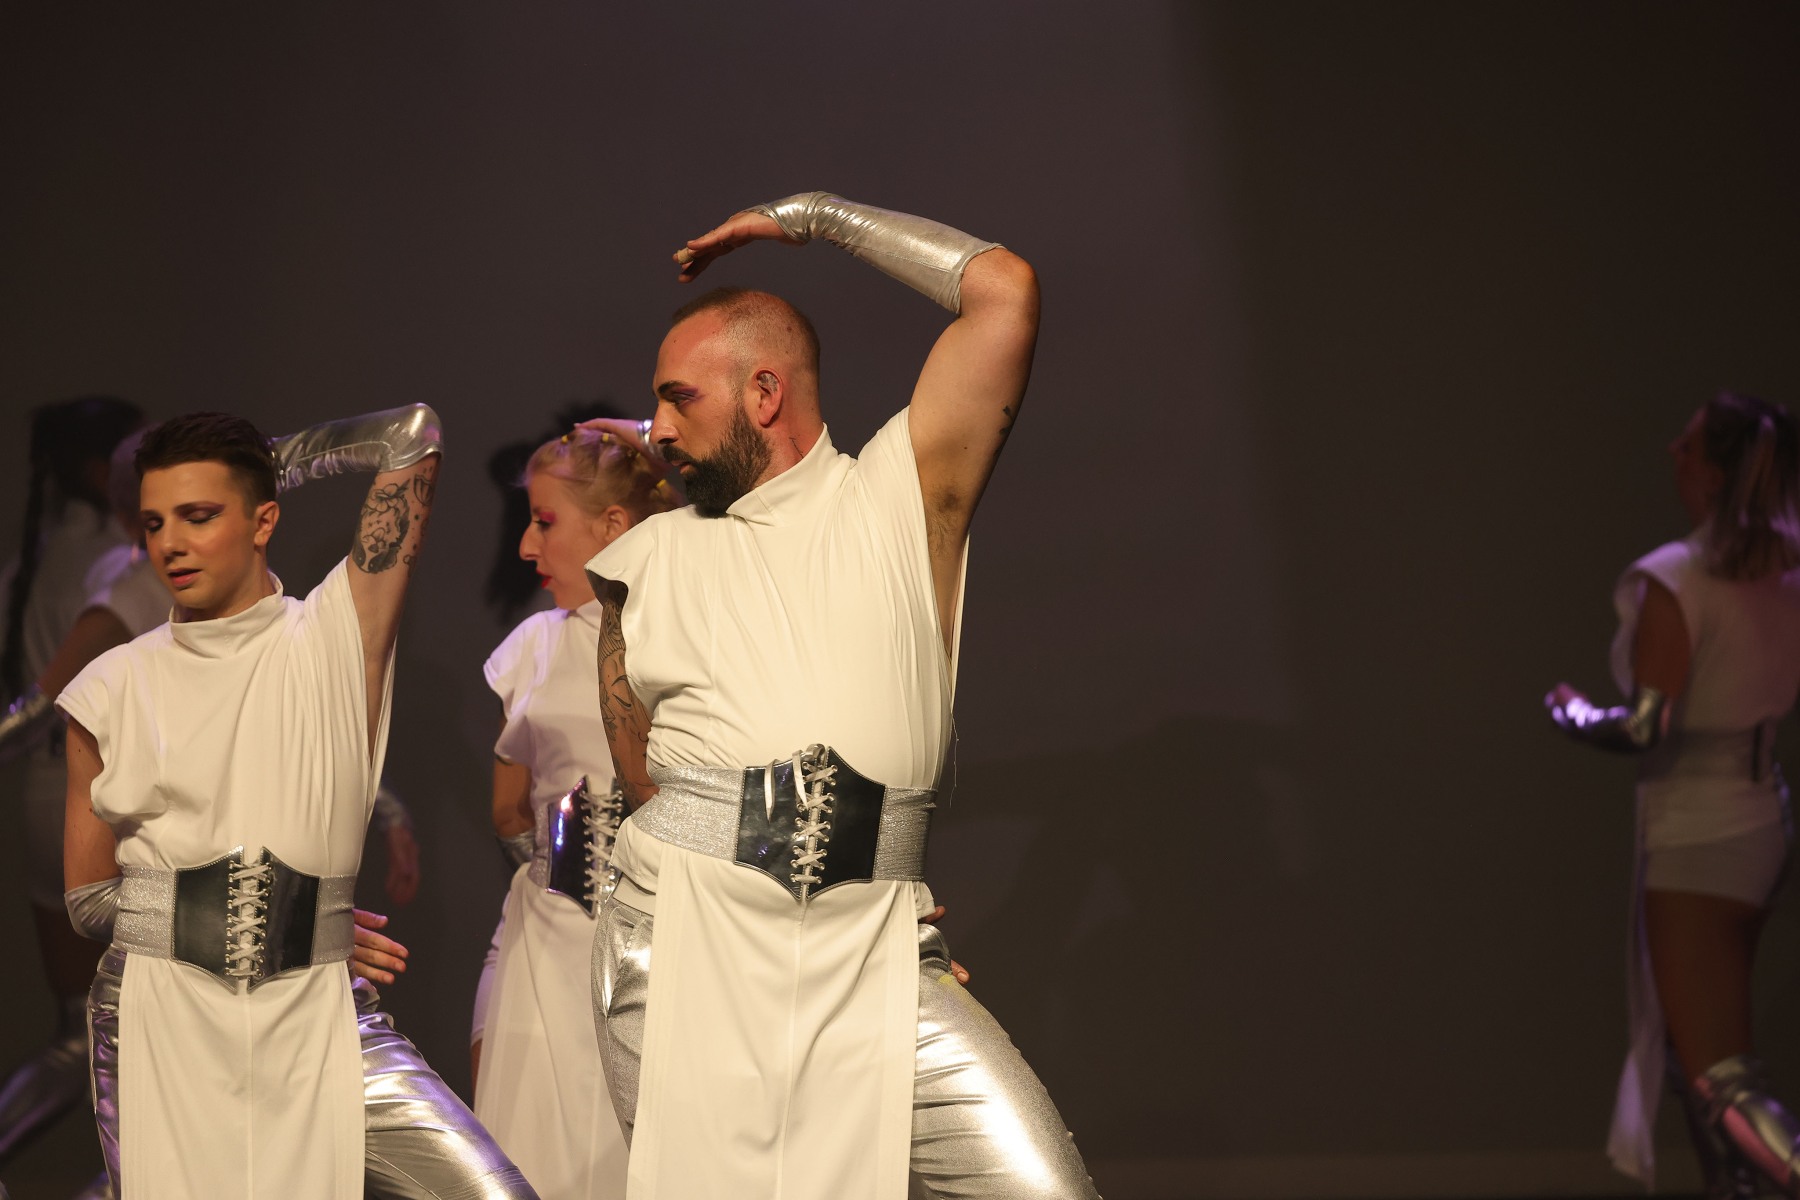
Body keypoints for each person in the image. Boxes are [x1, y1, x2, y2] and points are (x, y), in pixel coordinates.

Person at [586, 191, 1097, 1199]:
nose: (659, 428)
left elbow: (1003, 293)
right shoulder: (644, 563)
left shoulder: (896, 493)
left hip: (875, 954)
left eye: (679, 398)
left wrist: (817, 218)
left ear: (763, 392)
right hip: (680, 944)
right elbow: (645, 781)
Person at [55, 407, 535, 1198]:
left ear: (263, 520)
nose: (170, 543)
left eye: (199, 514)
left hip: (321, 1009)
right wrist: (264, 917)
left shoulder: (334, 635)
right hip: (161, 1012)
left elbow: (412, 436)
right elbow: (86, 900)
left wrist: (264, 457)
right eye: (154, 522)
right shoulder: (107, 689)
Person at [1547, 391, 1800, 1198]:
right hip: (1761, 820)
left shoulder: (1679, 577)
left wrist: (1571, 712)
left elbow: (1645, 727)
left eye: (1687, 446)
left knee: (1717, 1074)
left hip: (1699, 832)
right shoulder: (1785, 574)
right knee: (1703, 1062)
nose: (1671, 453)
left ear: (1716, 475)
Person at [467, 421, 677, 1197]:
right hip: (540, 944)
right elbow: (509, 812)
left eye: (545, 522)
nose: (527, 547)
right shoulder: (534, 645)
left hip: (666, 943)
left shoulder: (682, 634)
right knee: (525, 1151)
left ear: (613, 525)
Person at [0, 396, 143, 1170]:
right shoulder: (117, 571)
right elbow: (46, 700)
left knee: (81, 1026)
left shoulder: (34, 560)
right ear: (102, 471)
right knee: (121, 1025)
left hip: (44, 796)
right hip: (97, 799)